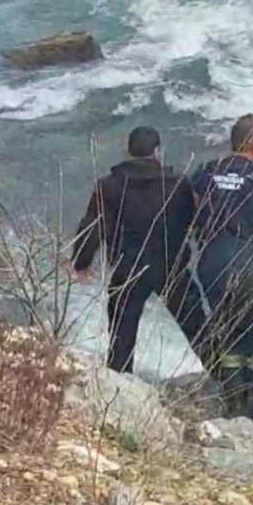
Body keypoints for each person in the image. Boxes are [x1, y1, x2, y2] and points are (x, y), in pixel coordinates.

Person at [69, 126, 207, 374]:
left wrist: (81, 263)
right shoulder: (179, 185)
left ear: (128, 151)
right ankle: (227, 380)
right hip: (171, 266)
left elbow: (93, 227)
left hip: (128, 269)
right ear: (157, 152)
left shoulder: (109, 186)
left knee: (122, 338)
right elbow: (195, 221)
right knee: (199, 329)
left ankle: (119, 383)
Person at [191, 114, 253, 425]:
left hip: (211, 261)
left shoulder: (206, 172)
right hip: (246, 260)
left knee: (226, 325)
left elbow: (197, 210)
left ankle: (234, 398)